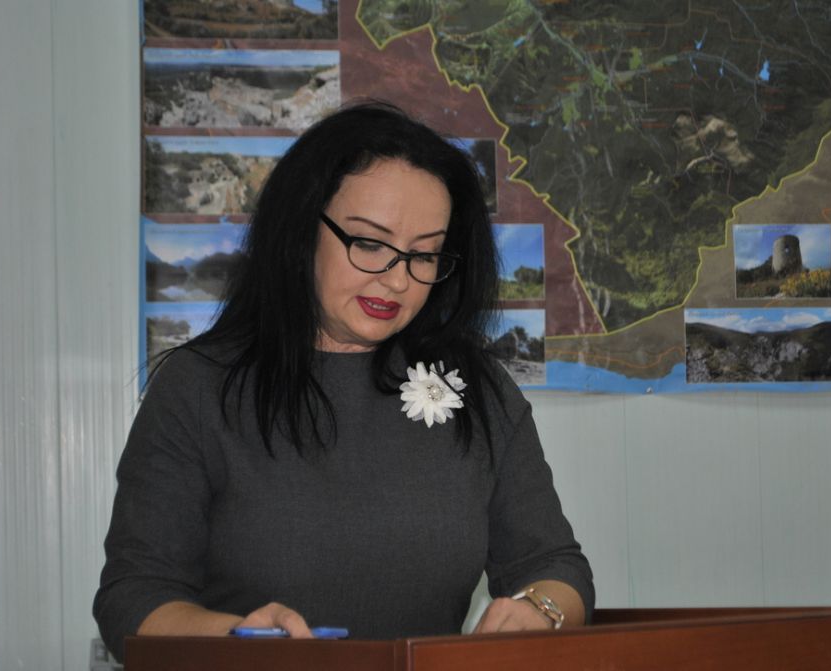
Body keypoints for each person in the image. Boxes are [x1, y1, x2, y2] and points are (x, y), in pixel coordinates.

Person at [94, 101, 594, 661]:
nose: (397, 280)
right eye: (370, 243)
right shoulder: (199, 388)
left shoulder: (478, 389)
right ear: (302, 231)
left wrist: (540, 610)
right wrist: (240, 641)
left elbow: (555, 565)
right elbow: (132, 598)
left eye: (424, 255)